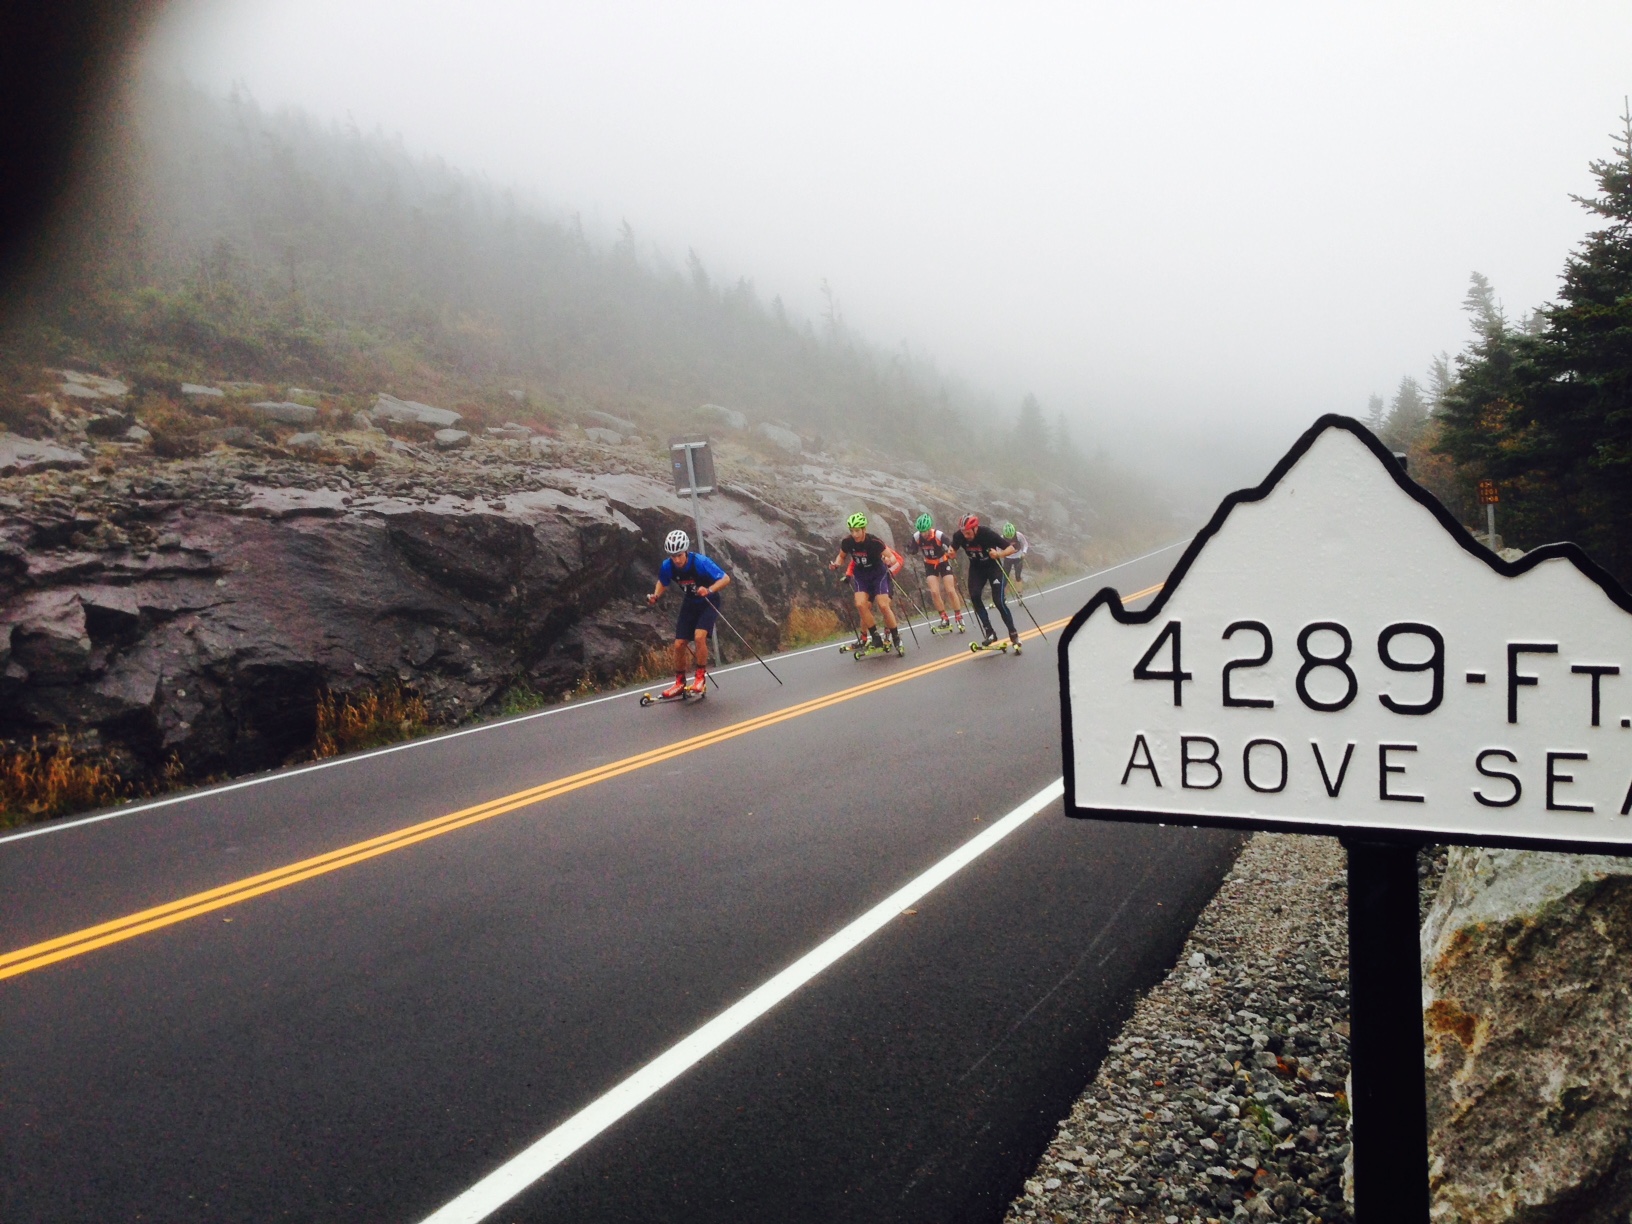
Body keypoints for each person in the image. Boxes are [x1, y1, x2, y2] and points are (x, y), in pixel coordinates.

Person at [647, 529, 731, 697]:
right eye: (673, 556)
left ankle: (700, 678)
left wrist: (709, 589)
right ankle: (679, 683)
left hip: (708, 601)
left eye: (679, 555)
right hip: (690, 603)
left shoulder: (700, 562)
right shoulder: (667, 566)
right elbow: (663, 582)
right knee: (679, 644)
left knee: (699, 636)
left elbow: (725, 578)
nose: (676, 559)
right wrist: (656, 595)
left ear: (685, 551)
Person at [828, 512, 903, 652]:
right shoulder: (847, 542)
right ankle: (875, 637)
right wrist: (836, 564)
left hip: (878, 574)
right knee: (860, 604)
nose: (855, 534)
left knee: (883, 606)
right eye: (852, 531)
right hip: (862, 576)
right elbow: (841, 556)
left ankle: (896, 637)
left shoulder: (874, 542)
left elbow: (892, 558)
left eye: (857, 530)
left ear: (864, 529)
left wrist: (888, 561)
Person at [950, 514, 1019, 647]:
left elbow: (1011, 548)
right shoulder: (959, 535)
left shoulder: (987, 534)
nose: (966, 536)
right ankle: (989, 632)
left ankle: (1013, 632)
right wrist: (951, 552)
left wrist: (999, 554)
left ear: (975, 528)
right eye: (964, 532)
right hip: (977, 569)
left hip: (993, 568)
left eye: (968, 532)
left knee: (998, 602)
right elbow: (953, 548)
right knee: (974, 596)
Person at [909, 513, 965, 632]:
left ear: (930, 528)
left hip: (943, 562)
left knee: (950, 590)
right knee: (934, 592)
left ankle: (958, 616)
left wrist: (950, 551)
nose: (923, 533)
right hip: (929, 564)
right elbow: (912, 548)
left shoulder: (938, 535)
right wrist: (910, 550)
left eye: (925, 530)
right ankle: (944, 618)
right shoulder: (917, 536)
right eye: (921, 531)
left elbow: (951, 546)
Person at [1000, 521, 1030, 586]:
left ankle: (1019, 593)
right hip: (1008, 558)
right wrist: (1000, 554)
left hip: (1018, 557)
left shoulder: (1019, 535)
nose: (1010, 538)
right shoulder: (1001, 538)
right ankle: (1002, 595)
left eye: (1012, 536)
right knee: (1005, 577)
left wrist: (1024, 552)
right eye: (1008, 537)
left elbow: (1025, 544)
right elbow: (998, 548)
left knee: (1018, 575)